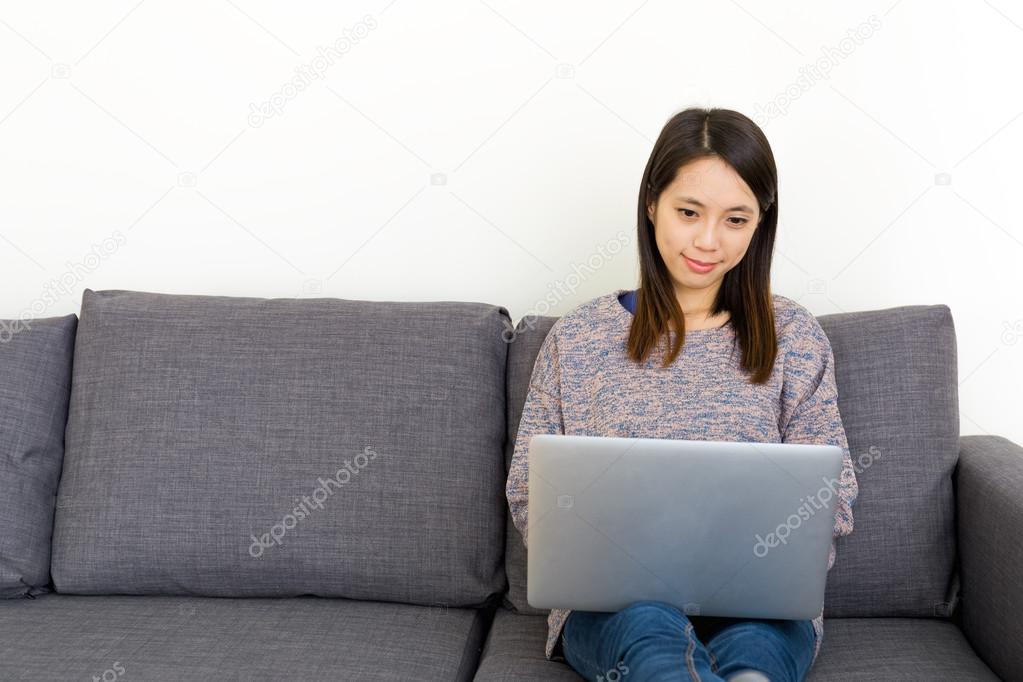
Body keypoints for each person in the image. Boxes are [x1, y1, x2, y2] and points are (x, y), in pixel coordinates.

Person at [505, 107, 859, 681]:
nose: (708, 240)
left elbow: (833, 496)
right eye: (688, 212)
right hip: (614, 610)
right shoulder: (578, 339)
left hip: (759, 608)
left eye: (736, 220)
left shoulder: (795, 337)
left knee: (755, 655)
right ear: (652, 204)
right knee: (651, 634)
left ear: (760, 224)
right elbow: (529, 490)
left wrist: (769, 565)